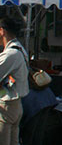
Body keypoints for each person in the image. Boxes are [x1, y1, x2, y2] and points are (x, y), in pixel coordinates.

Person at [0, 17, 29, 145]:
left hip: (7, 105)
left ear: (2, 31)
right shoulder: (20, 49)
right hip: (16, 104)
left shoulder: (11, 54)